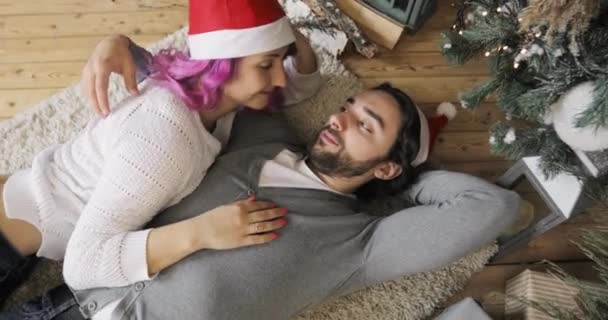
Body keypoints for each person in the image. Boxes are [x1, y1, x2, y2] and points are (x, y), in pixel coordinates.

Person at [1, 83, 520, 320]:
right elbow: (257, 70)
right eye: (348, 106)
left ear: (387, 165)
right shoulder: (264, 138)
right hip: (64, 302)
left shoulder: (362, 243)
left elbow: (491, 208)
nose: (339, 119)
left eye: (367, 125)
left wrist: (399, 183)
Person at [0, 0, 321, 301]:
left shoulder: (212, 94)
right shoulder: (167, 140)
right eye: (266, 65)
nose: (279, 77)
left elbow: (304, 84)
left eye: (282, 58)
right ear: (220, 65)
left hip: (23, 220)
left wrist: (279, 26)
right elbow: (82, 265)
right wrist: (202, 232)